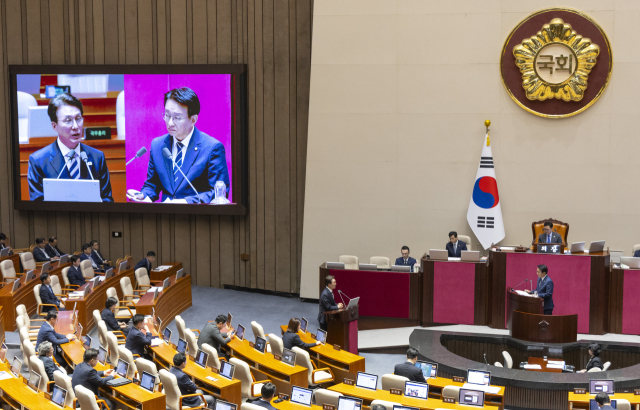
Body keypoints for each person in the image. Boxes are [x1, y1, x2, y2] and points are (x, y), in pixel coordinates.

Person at [127, 87, 230, 204]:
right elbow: (152, 184)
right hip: (165, 214)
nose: (170, 123)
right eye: (167, 115)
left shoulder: (212, 148)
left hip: (196, 214)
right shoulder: (158, 145)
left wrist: (184, 202)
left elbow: (218, 194)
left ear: (193, 119)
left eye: (177, 118)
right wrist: (143, 195)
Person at [27, 93, 113, 202]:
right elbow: (37, 205)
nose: (76, 126)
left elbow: (107, 200)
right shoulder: (38, 161)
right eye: (68, 120)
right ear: (54, 126)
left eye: (78, 118)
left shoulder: (97, 157)